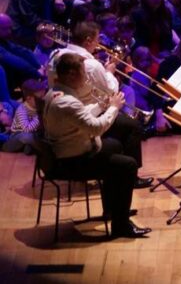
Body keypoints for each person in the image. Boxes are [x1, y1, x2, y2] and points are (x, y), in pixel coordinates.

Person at [43, 53, 151, 238]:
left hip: (68, 151)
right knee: (128, 165)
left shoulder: (54, 93)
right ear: (71, 74)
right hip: (73, 161)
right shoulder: (66, 102)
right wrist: (114, 107)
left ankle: (113, 210)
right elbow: (97, 128)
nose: (86, 77)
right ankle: (121, 224)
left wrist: (102, 106)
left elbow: (81, 115)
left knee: (114, 146)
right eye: (83, 72)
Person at [47, 21, 153, 189]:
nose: (99, 44)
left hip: (74, 114)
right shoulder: (88, 64)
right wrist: (109, 73)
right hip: (79, 124)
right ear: (88, 40)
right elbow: (110, 91)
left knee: (118, 137)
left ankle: (115, 173)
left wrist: (103, 104)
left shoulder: (56, 54)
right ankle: (129, 177)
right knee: (133, 126)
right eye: (97, 39)